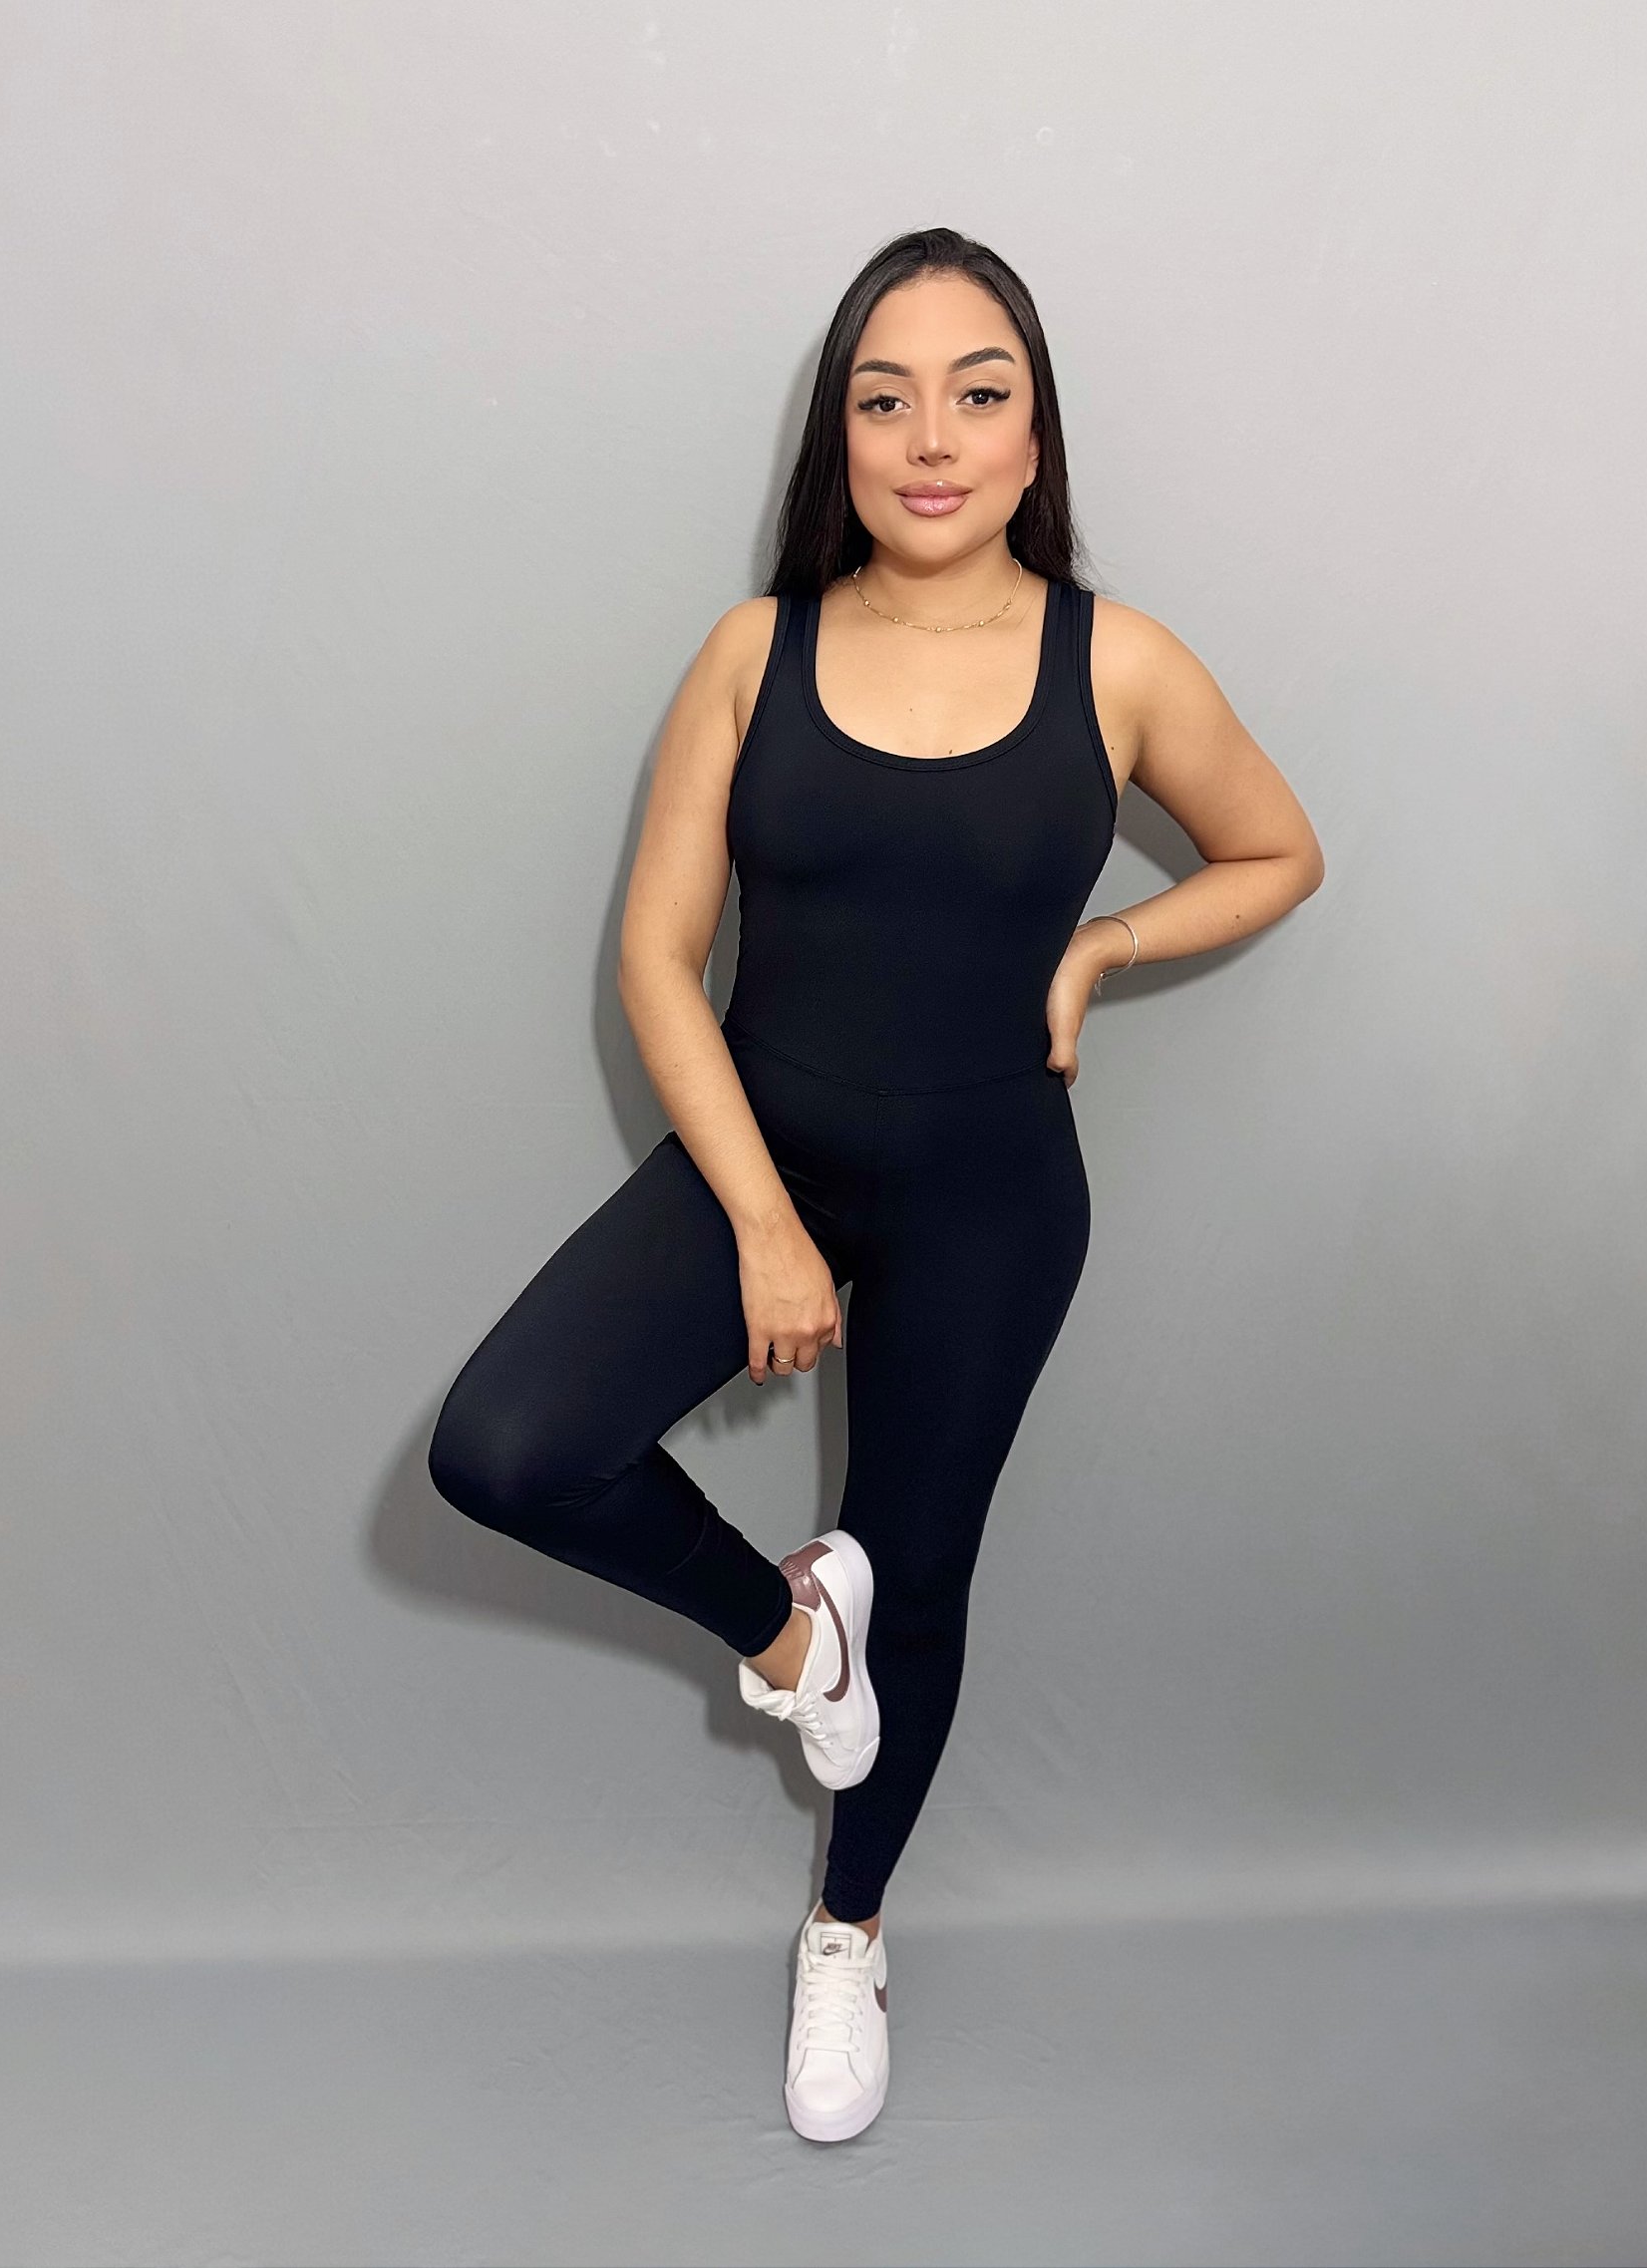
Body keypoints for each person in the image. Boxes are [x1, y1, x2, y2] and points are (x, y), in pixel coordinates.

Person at [429, 226, 1325, 2142]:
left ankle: (850, 1926)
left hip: (995, 1198)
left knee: (919, 1570)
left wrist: (1103, 949)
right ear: (838, 433)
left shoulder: (1119, 661)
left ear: (1034, 434)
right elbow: (658, 956)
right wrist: (765, 1222)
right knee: (507, 1445)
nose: (932, 439)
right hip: (764, 1154)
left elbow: (1278, 851)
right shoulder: (753, 653)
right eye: (885, 396)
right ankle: (788, 1635)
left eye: (979, 395)